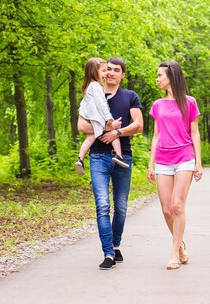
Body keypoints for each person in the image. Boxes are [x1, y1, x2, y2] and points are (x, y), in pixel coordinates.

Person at [77, 56, 143, 270]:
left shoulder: (129, 97)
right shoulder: (93, 93)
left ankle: (115, 245)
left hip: (123, 156)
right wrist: (105, 129)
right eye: (109, 69)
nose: (111, 73)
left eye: (116, 70)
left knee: (121, 207)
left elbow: (138, 125)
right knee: (102, 205)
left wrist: (116, 132)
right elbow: (80, 125)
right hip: (98, 156)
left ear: (122, 74)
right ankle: (108, 253)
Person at [147, 60, 203, 270]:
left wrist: (198, 162)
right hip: (163, 160)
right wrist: (150, 164)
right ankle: (180, 246)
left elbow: (195, 133)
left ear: (171, 76)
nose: (157, 79)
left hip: (184, 158)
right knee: (166, 209)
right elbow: (156, 136)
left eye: (160, 75)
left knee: (178, 206)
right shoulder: (157, 105)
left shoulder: (189, 102)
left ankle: (173, 254)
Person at [76, 57, 128, 175]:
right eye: (104, 71)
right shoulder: (96, 86)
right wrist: (108, 118)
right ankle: (119, 155)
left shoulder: (89, 86)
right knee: (114, 130)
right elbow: (101, 103)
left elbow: (85, 103)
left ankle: (80, 159)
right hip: (97, 116)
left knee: (90, 137)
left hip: (89, 116)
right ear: (95, 72)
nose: (107, 74)